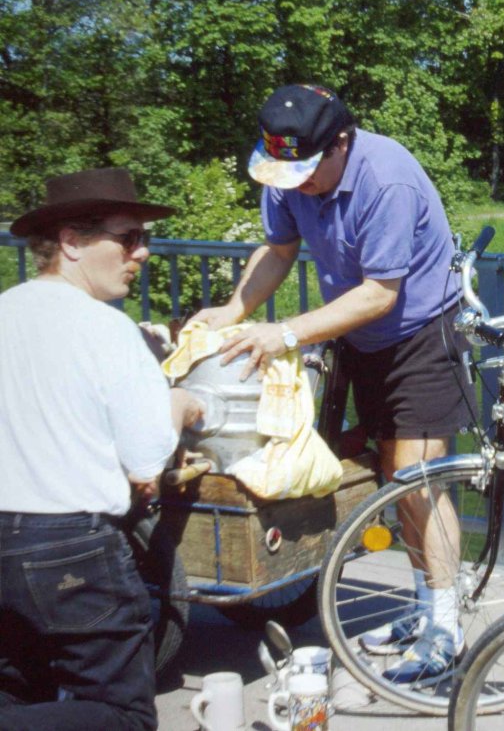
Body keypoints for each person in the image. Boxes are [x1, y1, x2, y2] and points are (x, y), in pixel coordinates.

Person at [192, 84, 476, 682]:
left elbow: (380, 294)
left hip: (424, 332)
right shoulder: (288, 171)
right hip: (362, 338)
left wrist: (286, 332)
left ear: (341, 142)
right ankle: (425, 606)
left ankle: (447, 628)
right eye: (285, 174)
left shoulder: (387, 179)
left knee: (418, 480)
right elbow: (278, 250)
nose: (295, 185)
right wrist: (233, 311)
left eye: (306, 172)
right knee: (391, 478)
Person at [0, 167, 203, 731]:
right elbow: (145, 459)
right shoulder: (107, 329)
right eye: (128, 237)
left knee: (18, 693)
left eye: (145, 238)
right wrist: (178, 404)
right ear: (71, 241)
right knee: (122, 713)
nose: (142, 252)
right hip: (68, 542)